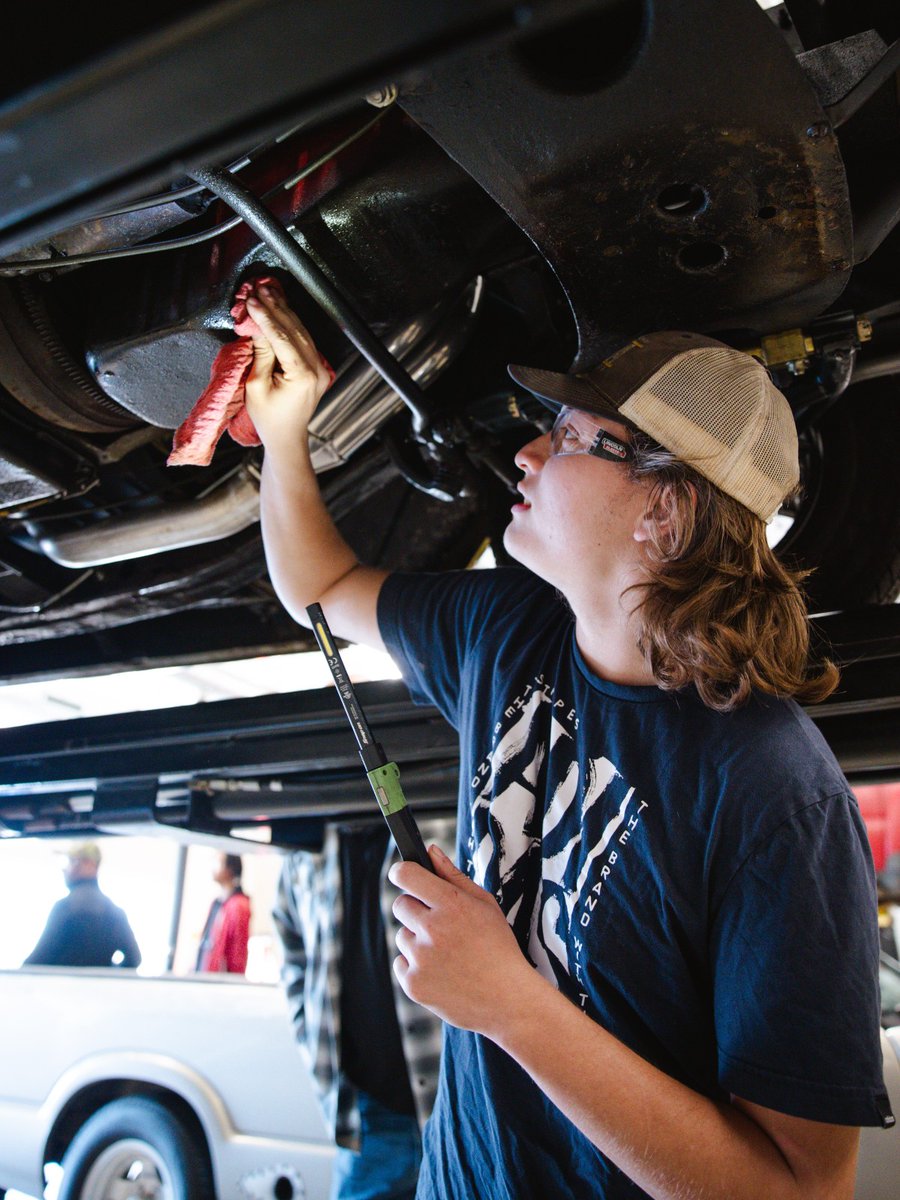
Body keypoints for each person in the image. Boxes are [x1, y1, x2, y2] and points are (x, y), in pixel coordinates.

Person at [242, 282, 892, 1200]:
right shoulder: (506, 631)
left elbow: (800, 1191)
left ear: (662, 514)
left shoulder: (776, 794)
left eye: (577, 439)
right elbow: (322, 584)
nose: (530, 452)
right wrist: (284, 435)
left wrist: (509, 1006)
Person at [273, 815, 455, 1200]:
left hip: (458, 1107)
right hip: (368, 1119)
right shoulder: (308, 847)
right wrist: (311, 1042)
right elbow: (291, 948)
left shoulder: (443, 817)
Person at [24, 840, 141, 968]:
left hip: (59, 986)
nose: (65, 870)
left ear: (89, 864)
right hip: (97, 987)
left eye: (71, 861)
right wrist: (104, 972)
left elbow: (39, 959)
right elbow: (134, 959)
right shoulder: (114, 912)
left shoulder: (65, 907)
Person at [195, 852, 251, 974]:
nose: (213, 867)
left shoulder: (238, 906)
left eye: (218, 862)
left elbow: (237, 953)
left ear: (230, 869)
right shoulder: (217, 903)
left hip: (220, 981)